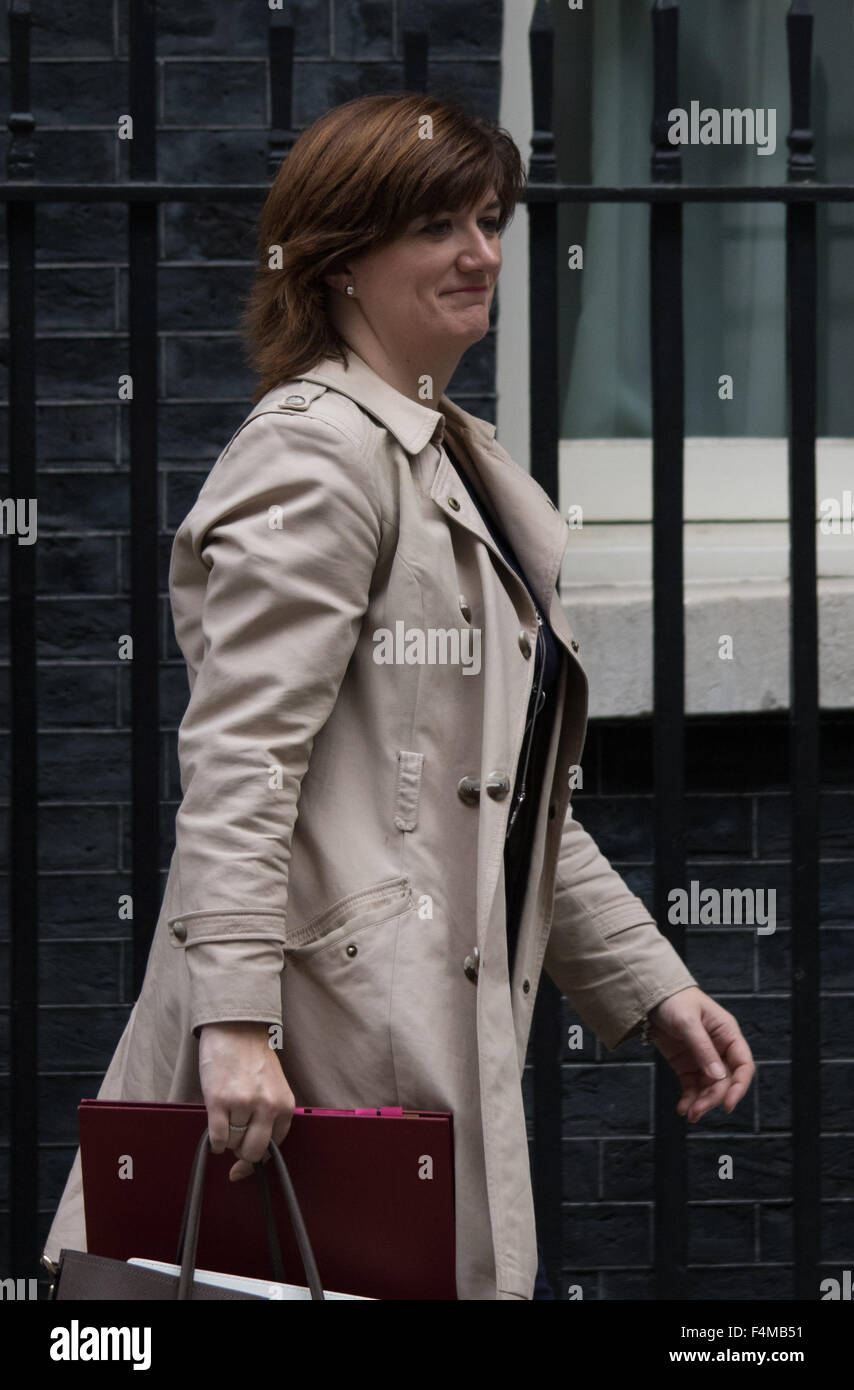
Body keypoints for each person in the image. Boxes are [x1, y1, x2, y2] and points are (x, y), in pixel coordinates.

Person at [43, 92, 755, 1301]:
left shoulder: (448, 460)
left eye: (487, 219)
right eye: (435, 226)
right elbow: (241, 756)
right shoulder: (316, 455)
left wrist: (648, 981)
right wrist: (234, 1023)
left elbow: (506, 794)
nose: (480, 252)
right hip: (315, 1038)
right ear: (336, 261)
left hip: (397, 1026)